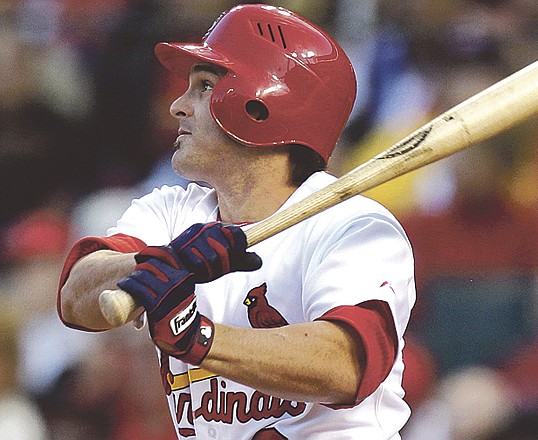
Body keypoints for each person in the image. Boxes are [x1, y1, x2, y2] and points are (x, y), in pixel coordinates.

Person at [58, 4, 415, 439]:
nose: (177, 106)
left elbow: (346, 367)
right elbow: (77, 296)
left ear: (264, 104)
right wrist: (161, 263)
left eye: (204, 87)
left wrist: (197, 337)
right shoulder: (172, 212)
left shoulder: (354, 224)